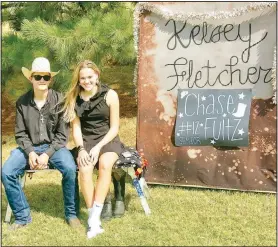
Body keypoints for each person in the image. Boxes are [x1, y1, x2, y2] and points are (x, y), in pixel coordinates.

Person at [1, 57, 81, 230]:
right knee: (7, 172)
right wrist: (30, 152)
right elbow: (20, 133)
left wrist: (46, 154)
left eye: (46, 77)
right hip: (29, 148)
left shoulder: (60, 100)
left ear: (50, 79)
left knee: (69, 168)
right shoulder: (22, 102)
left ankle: (72, 214)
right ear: (31, 78)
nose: (42, 81)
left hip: (55, 148)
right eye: (38, 77)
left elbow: (62, 135)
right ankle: (22, 216)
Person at [61, 60, 126, 238]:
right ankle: (93, 218)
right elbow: (76, 128)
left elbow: (114, 128)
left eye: (90, 77)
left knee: (105, 164)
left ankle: (95, 217)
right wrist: (81, 148)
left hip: (108, 139)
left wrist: (98, 148)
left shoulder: (110, 95)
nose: (86, 81)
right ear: (79, 80)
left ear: (97, 75)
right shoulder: (74, 98)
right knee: (85, 168)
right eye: (83, 78)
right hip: (86, 141)